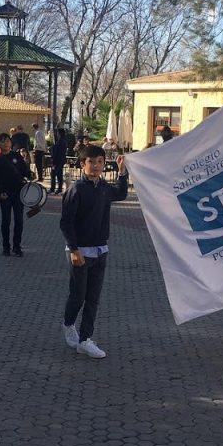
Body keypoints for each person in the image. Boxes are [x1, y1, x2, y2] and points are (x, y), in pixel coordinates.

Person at [59, 145, 129, 359]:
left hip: (100, 249)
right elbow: (66, 222)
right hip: (80, 251)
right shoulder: (77, 189)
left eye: (100, 161)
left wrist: (122, 172)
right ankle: (69, 324)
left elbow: (121, 193)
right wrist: (74, 249)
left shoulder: (104, 187)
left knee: (93, 298)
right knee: (78, 296)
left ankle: (85, 339)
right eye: (91, 161)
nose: (96, 165)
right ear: (82, 164)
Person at [0, 132, 34, 257]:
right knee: (6, 221)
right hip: (5, 194)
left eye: (7, 140)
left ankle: (17, 246)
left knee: (19, 221)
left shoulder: (17, 156)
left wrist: (30, 174)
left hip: (19, 192)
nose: (6, 143)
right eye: (3, 141)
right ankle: (6, 246)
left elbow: (24, 171)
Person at [49, 128, 67, 195]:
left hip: (57, 161)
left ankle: (53, 188)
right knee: (58, 175)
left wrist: (53, 160)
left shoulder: (61, 142)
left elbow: (57, 152)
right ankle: (58, 188)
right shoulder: (62, 141)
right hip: (59, 161)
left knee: (54, 174)